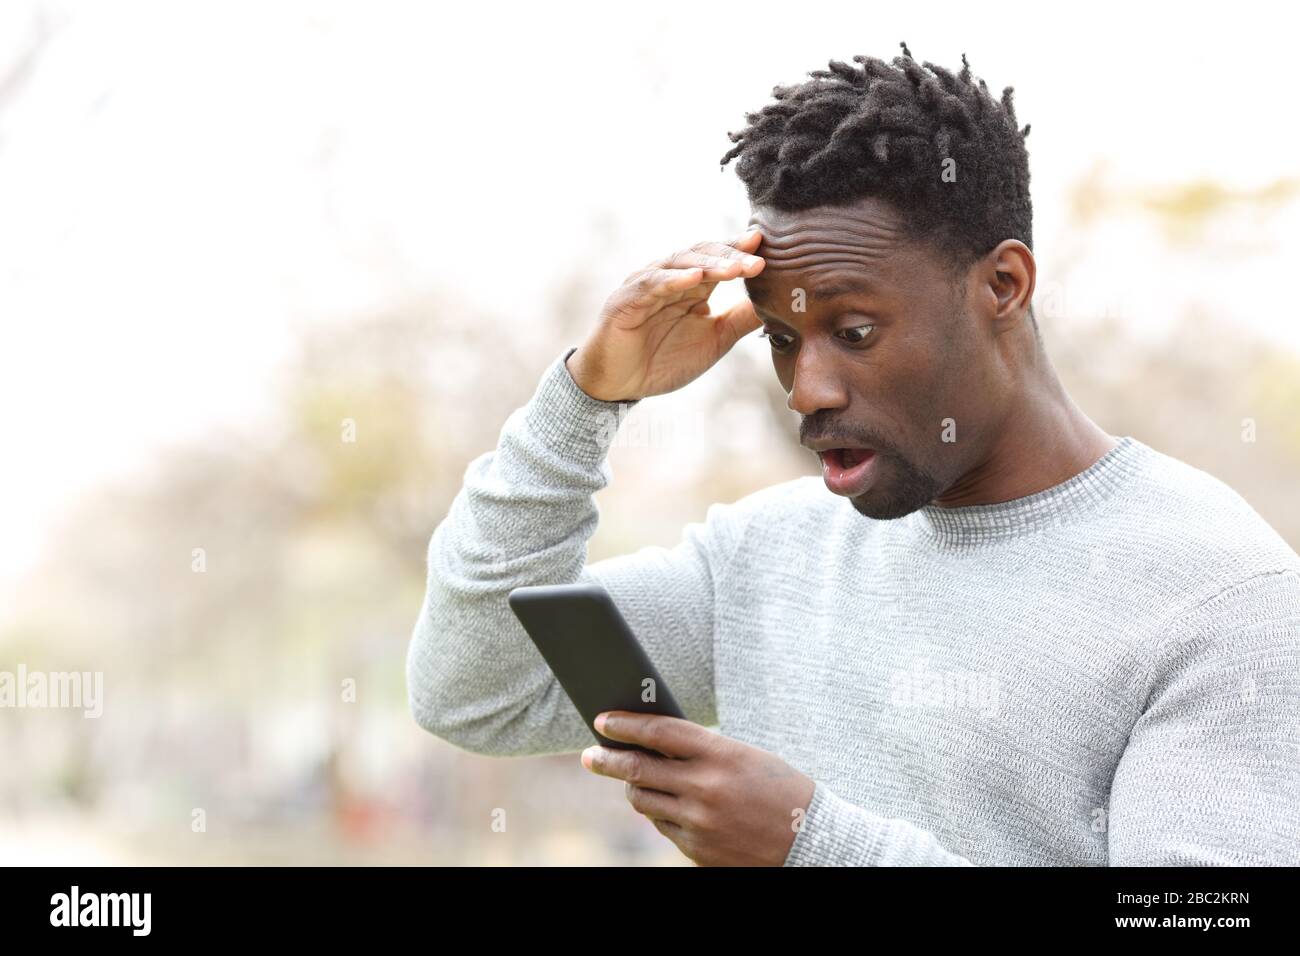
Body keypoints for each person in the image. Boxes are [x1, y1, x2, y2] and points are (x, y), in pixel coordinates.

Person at [406, 43, 1300, 866]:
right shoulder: (768, 557)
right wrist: (585, 403)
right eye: (784, 338)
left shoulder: (1221, 598)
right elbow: (474, 688)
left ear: (1003, 285)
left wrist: (820, 846)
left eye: (855, 330)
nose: (808, 389)